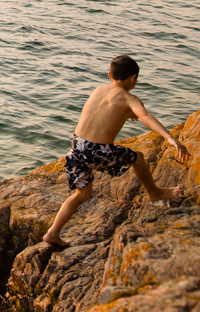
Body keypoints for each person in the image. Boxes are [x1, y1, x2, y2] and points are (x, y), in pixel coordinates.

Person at [42, 55, 191, 247]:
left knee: (82, 195)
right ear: (133, 79)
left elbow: (102, 115)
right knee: (138, 157)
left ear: (109, 75)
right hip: (97, 151)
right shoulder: (129, 98)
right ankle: (154, 192)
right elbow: (145, 116)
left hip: (76, 147)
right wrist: (170, 138)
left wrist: (125, 113)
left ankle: (53, 233)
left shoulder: (98, 90)